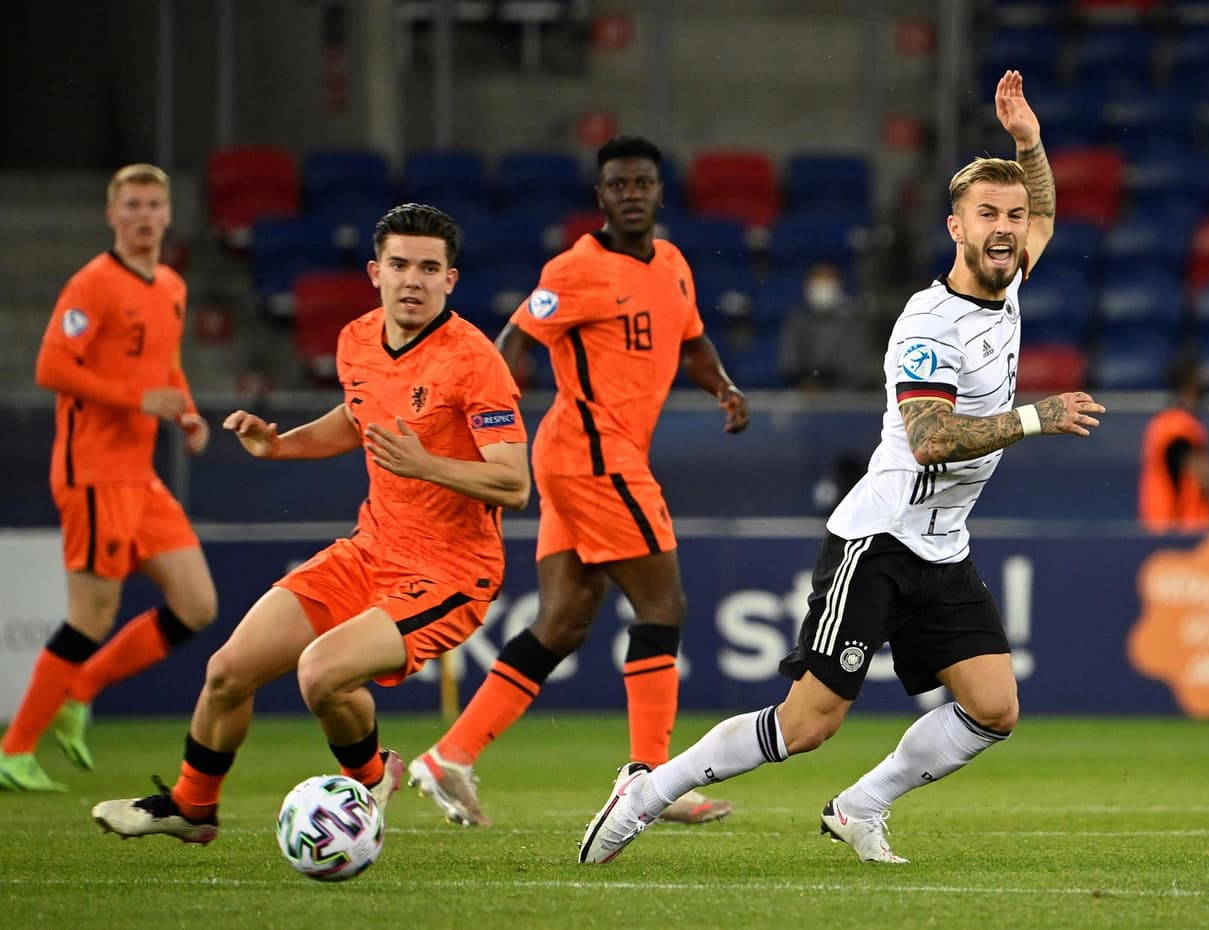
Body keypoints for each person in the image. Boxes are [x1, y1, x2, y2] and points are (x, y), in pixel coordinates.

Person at [578, 71, 1107, 866]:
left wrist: (1028, 142)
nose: (1007, 229)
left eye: (1014, 216)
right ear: (956, 227)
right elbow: (929, 438)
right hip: (880, 540)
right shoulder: (928, 324)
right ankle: (646, 793)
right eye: (988, 216)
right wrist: (1038, 416)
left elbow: (1047, 210)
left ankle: (861, 806)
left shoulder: (1010, 281)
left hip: (942, 546)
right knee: (807, 725)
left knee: (995, 707)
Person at [90, 203, 530, 843]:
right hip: (369, 551)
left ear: (450, 279)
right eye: (400, 265)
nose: (413, 280)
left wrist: (425, 464)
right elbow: (356, 417)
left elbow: (514, 482)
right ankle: (193, 806)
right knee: (228, 671)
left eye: (428, 268)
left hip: (451, 573)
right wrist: (280, 445)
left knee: (321, 673)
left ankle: (369, 780)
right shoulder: (357, 339)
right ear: (375, 272)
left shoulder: (474, 360)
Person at [409, 135, 750, 828]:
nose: (632, 194)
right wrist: (482, 431)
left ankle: (451, 755)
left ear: (659, 191)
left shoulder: (673, 264)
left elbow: (691, 339)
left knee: (562, 622)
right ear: (600, 197)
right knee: (664, 607)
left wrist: (722, 385)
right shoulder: (575, 269)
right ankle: (648, 778)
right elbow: (512, 343)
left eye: (643, 183)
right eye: (619, 185)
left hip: (588, 458)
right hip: (594, 455)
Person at [0, 164, 217, 792]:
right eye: (133, 205)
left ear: (168, 215)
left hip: (139, 476)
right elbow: (50, 367)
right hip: (92, 473)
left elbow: (166, 361)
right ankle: (15, 749)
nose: (144, 216)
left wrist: (187, 412)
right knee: (92, 615)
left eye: (153, 205)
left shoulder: (171, 285)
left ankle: (83, 688)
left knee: (197, 604)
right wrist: (136, 399)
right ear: (112, 214)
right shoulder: (91, 284)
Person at [1138, 352, 1209, 532]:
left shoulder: (1170, 423)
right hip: (1177, 532)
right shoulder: (1176, 426)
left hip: (1179, 531)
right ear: (1191, 384)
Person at [777, 262, 882, 391]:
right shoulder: (796, 320)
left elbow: (857, 368)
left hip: (847, 396)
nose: (822, 287)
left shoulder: (854, 323)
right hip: (803, 395)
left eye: (828, 279)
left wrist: (827, 380)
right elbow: (788, 362)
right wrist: (806, 380)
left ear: (839, 285)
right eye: (817, 280)